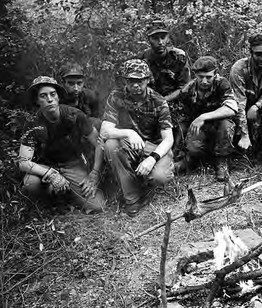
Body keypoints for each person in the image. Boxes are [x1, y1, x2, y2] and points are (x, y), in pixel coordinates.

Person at [19, 76, 105, 213]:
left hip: (73, 165)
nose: (49, 99)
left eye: (53, 94)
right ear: (36, 100)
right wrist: (50, 174)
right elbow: (23, 162)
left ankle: (68, 194)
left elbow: (99, 144)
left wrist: (94, 174)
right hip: (46, 166)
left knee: (97, 206)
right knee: (31, 183)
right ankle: (50, 201)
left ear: (58, 97)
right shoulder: (33, 124)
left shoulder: (75, 115)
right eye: (43, 96)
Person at [100, 59, 174, 217]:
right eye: (131, 81)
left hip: (154, 147)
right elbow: (105, 131)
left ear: (147, 80)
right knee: (111, 145)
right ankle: (132, 197)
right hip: (130, 145)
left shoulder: (158, 101)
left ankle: (148, 179)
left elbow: (168, 139)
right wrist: (129, 133)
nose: (135, 85)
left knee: (159, 177)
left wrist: (152, 159)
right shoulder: (116, 96)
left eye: (140, 81)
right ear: (125, 80)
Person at [175, 56, 238, 181]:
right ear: (195, 75)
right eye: (200, 77)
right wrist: (178, 148)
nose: (204, 81)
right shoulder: (188, 90)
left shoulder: (222, 84)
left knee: (226, 124)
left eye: (208, 77)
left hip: (219, 127)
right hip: (200, 129)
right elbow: (182, 119)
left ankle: (222, 161)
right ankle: (197, 160)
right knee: (193, 148)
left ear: (215, 75)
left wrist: (204, 117)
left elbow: (231, 108)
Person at [139, 20, 191, 153]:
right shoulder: (143, 59)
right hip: (151, 102)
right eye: (155, 38)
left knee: (181, 123)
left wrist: (165, 101)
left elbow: (184, 87)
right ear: (149, 39)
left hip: (175, 101)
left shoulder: (178, 56)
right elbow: (140, 86)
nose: (160, 42)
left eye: (163, 37)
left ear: (168, 37)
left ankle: (178, 151)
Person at [230, 33, 262, 154]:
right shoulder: (239, 68)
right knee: (232, 116)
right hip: (244, 104)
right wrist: (244, 134)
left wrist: (257, 105)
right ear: (250, 52)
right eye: (258, 54)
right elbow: (239, 103)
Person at [58, 63, 101, 129]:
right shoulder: (56, 98)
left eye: (79, 83)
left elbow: (96, 118)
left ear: (83, 83)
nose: (76, 88)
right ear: (62, 83)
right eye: (71, 83)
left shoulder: (91, 96)